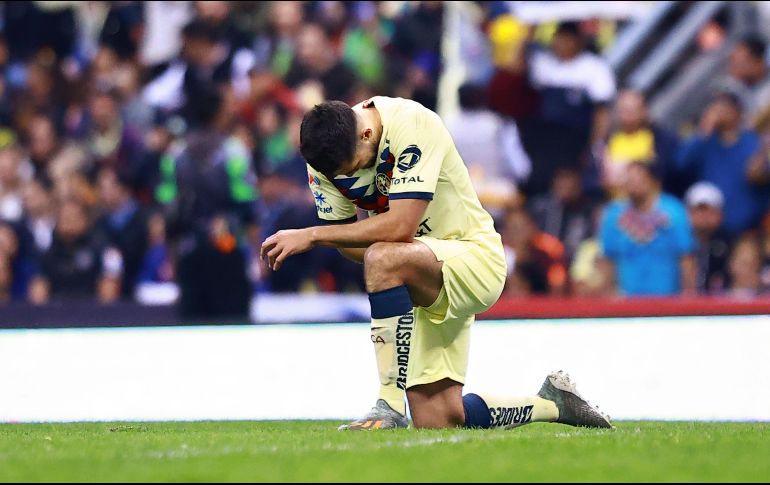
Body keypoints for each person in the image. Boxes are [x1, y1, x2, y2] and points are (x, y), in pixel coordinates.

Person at [260, 97, 611, 430]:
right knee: (439, 416)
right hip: (419, 275)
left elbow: (399, 227)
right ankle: (553, 404)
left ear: (366, 133)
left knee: (383, 255)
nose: (349, 177)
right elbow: (348, 243)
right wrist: (354, 247)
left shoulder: (411, 124)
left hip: (473, 257)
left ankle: (388, 405)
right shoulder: (325, 157)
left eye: (356, 166)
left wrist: (312, 235)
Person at [600, 162, 697, 297]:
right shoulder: (613, 215)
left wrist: (689, 292)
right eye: (629, 180)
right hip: (626, 300)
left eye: (638, 179)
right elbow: (608, 259)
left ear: (651, 180)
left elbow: (686, 256)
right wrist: (608, 292)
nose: (634, 185)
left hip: (668, 299)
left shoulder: (673, 210)